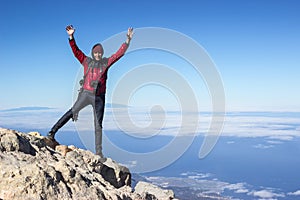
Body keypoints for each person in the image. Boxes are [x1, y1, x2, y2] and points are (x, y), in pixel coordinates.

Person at [47, 25, 134, 157]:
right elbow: (76, 51)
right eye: (95, 52)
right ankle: (52, 133)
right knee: (71, 112)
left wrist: (127, 41)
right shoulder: (87, 62)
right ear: (93, 53)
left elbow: (118, 55)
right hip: (86, 94)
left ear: (102, 53)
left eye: (99, 52)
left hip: (99, 97)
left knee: (98, 125)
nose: (97, 54)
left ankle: (99, 152)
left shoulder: (106, 63)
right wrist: (71, 37)